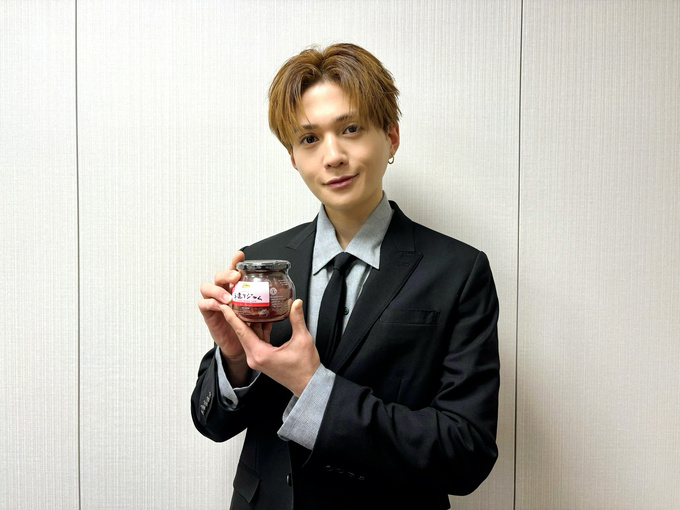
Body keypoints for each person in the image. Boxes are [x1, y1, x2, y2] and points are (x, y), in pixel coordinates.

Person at [192, 43, 500, 510]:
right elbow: (213, 424)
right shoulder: (261, 265)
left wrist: (313, 387)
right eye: (309, 139)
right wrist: (234, 362)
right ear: (293, 157)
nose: (332, 155)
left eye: (350, 129)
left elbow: (466, 453)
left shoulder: (458, 271)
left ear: (391, 136)